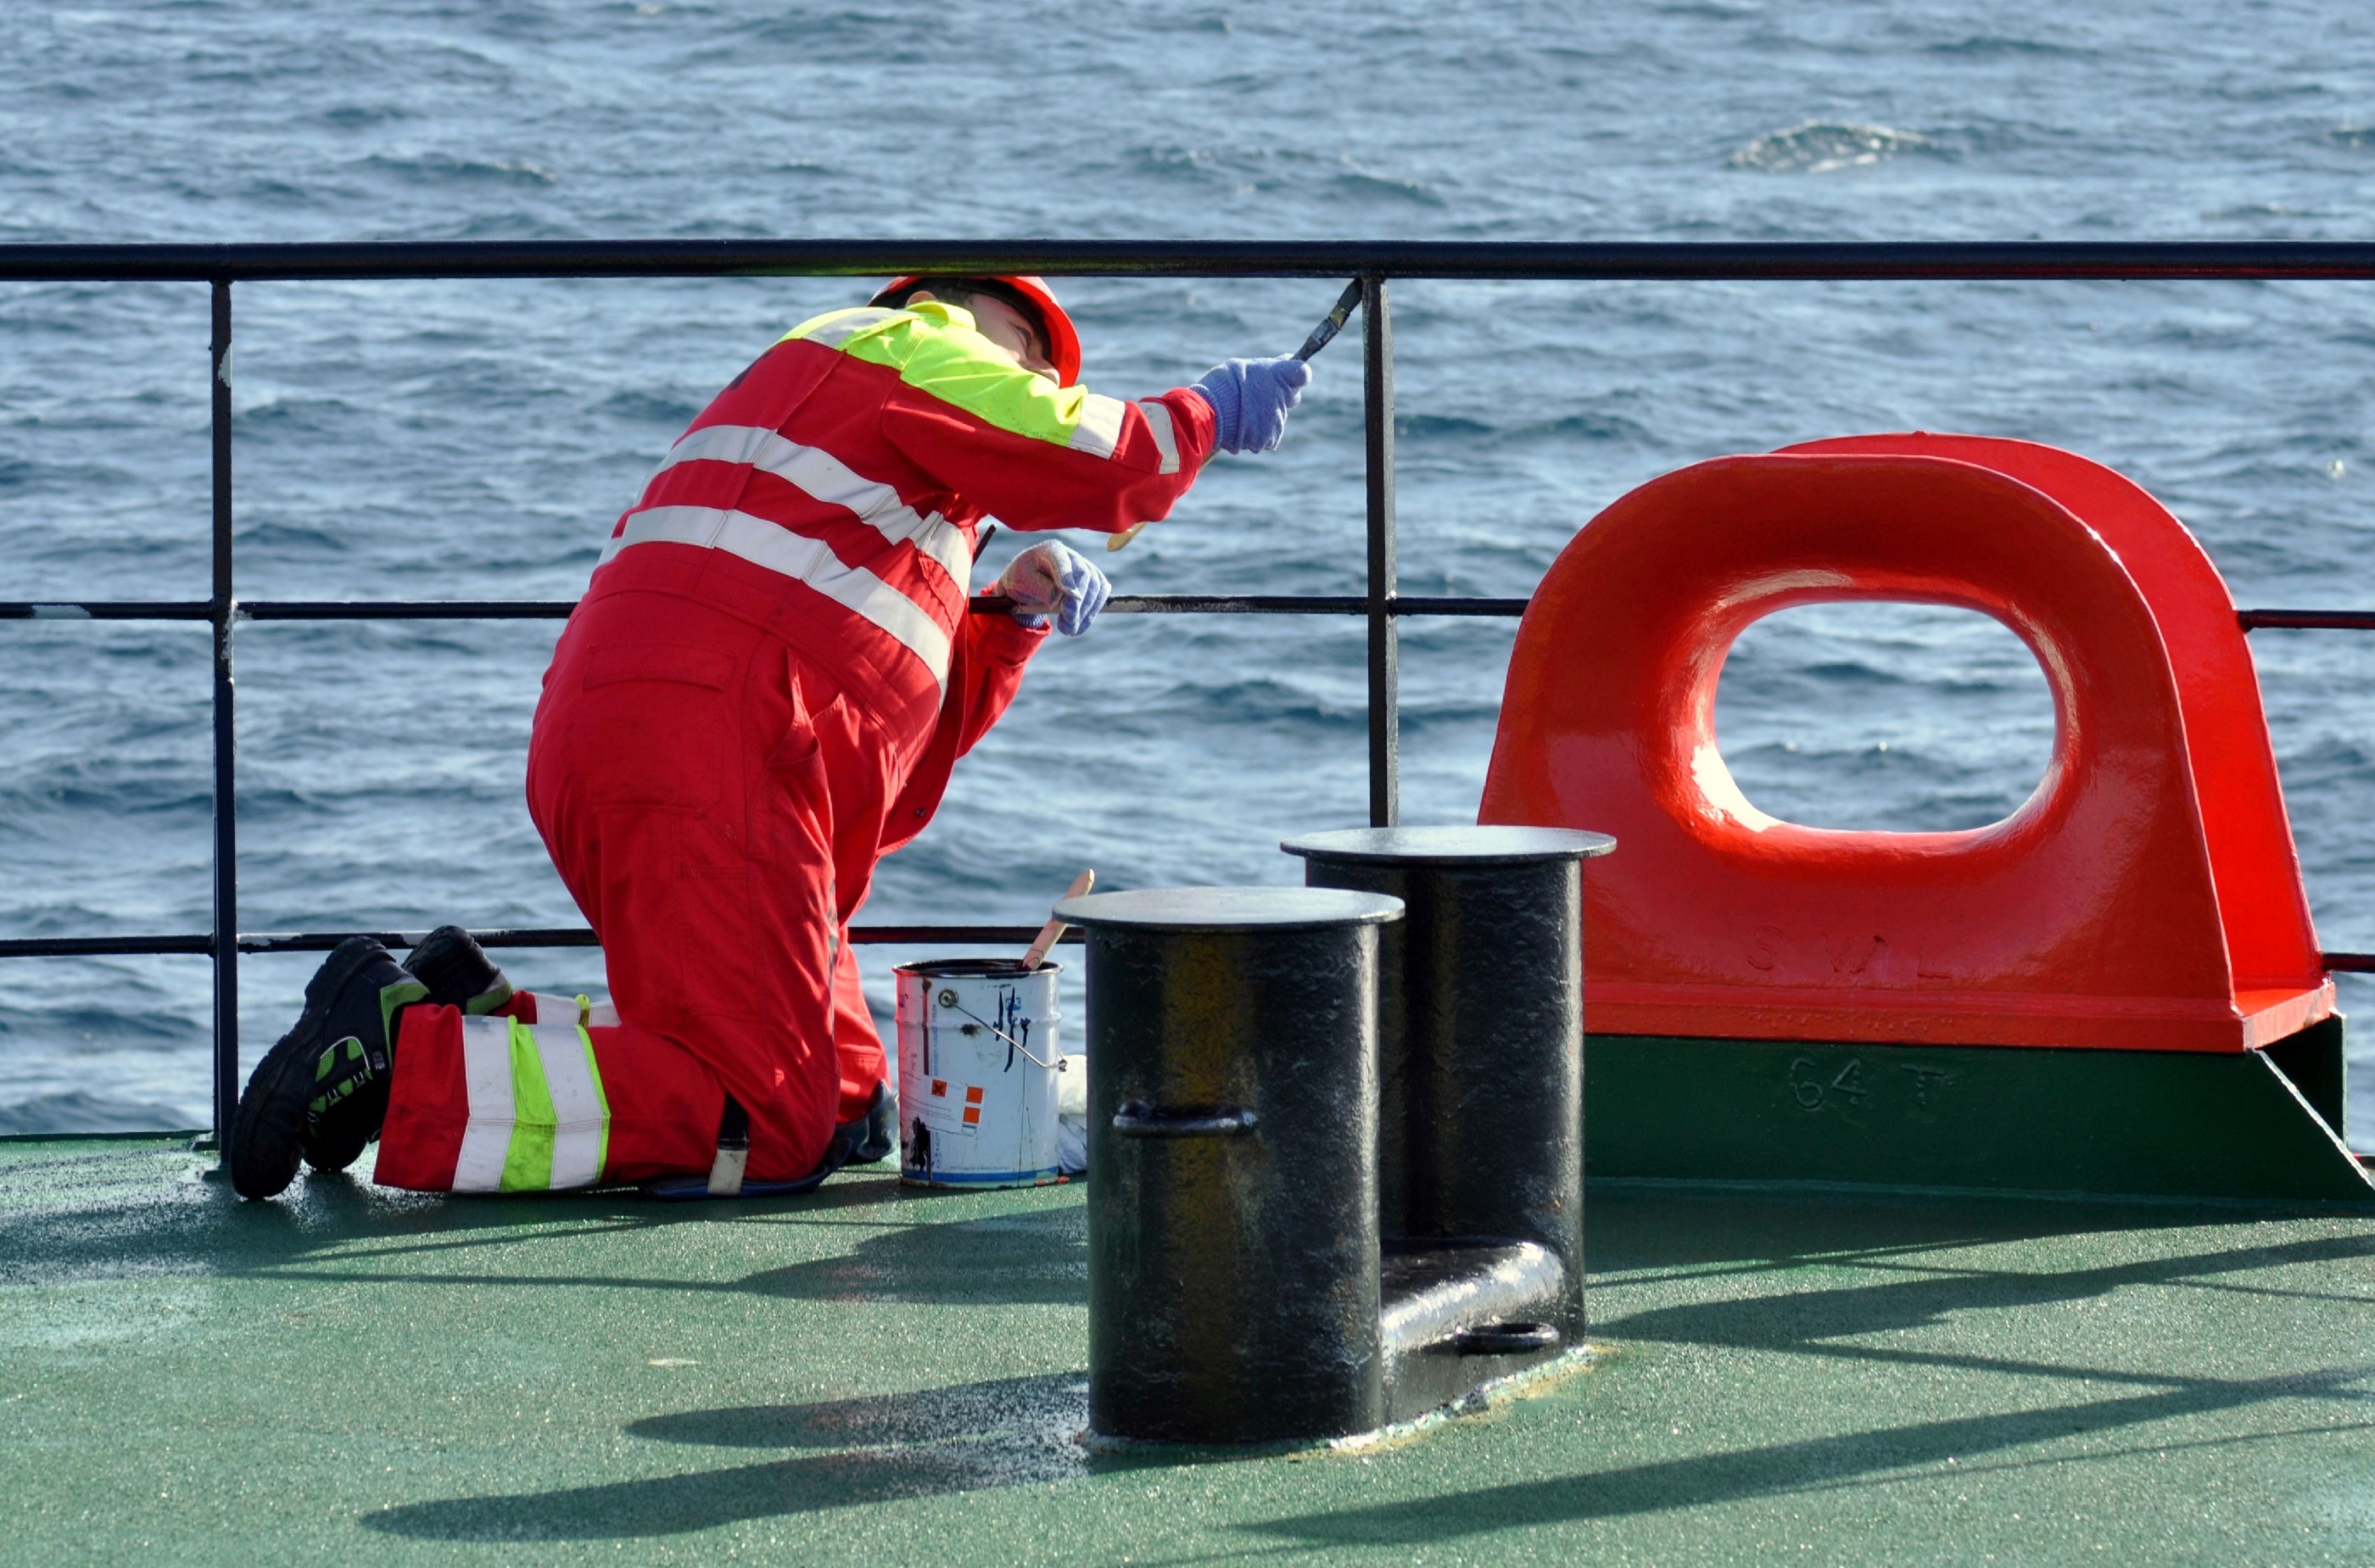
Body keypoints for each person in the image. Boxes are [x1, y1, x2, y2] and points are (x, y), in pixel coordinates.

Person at [228, 275, 1312, 1201]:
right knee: (765, 1118)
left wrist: (1006, 616)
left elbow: (895, 756)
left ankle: (460, 1011)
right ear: (963, 313)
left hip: (669, 736)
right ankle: (401, 1058)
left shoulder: (866, 475)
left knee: (846, 1103)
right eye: (1029, 354)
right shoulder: (907, 343)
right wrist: (1204, 414)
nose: (1034, 381)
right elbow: (1103, 456)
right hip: (714, 750)